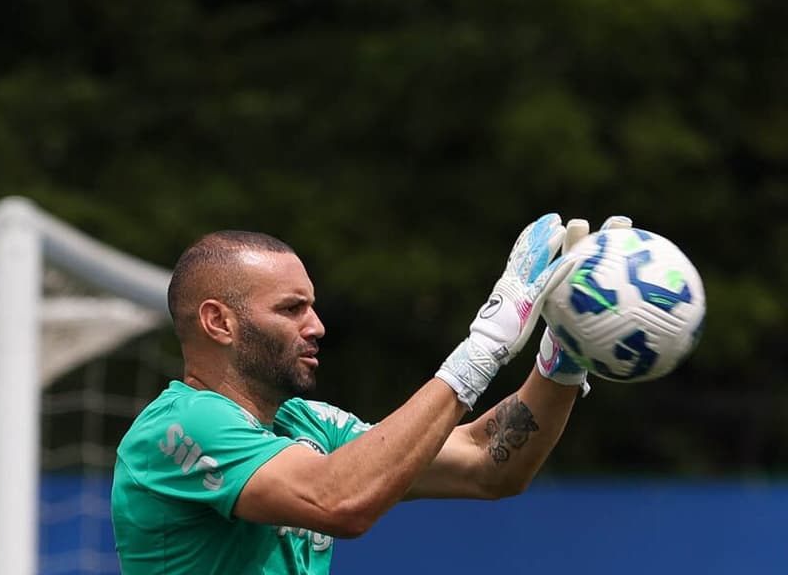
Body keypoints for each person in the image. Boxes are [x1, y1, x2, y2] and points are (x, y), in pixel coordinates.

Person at [112, 213, 627, 574]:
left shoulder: (306, 424)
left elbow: (486, 463)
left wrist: (563, 357)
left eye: (311, 307)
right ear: (219, 322)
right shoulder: (180, 424)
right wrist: (484, 346)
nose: (316, 326)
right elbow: (337, 501)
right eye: (291, 309)